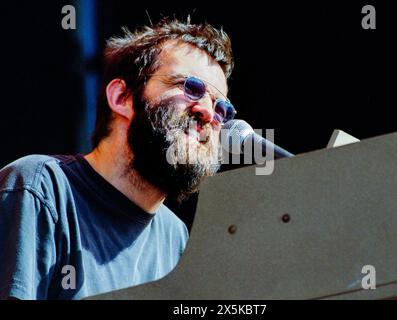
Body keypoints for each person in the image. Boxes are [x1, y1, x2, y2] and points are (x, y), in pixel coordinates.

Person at [0, 18, 235, 300]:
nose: (208, 113)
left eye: (222, 109)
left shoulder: (175, 237)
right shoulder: (40, 188)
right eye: (191, 88)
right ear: (121, 96)